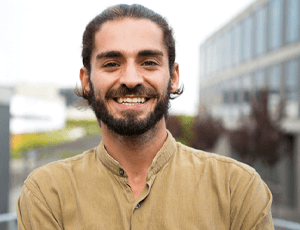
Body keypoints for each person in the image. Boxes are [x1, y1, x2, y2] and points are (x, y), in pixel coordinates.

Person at [17, 4, 274, 229]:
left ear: (173, 78)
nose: (130, 80)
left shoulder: (238, 189)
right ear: (86, 81)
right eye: (111, 64)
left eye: (149, 62)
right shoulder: (46, 193)